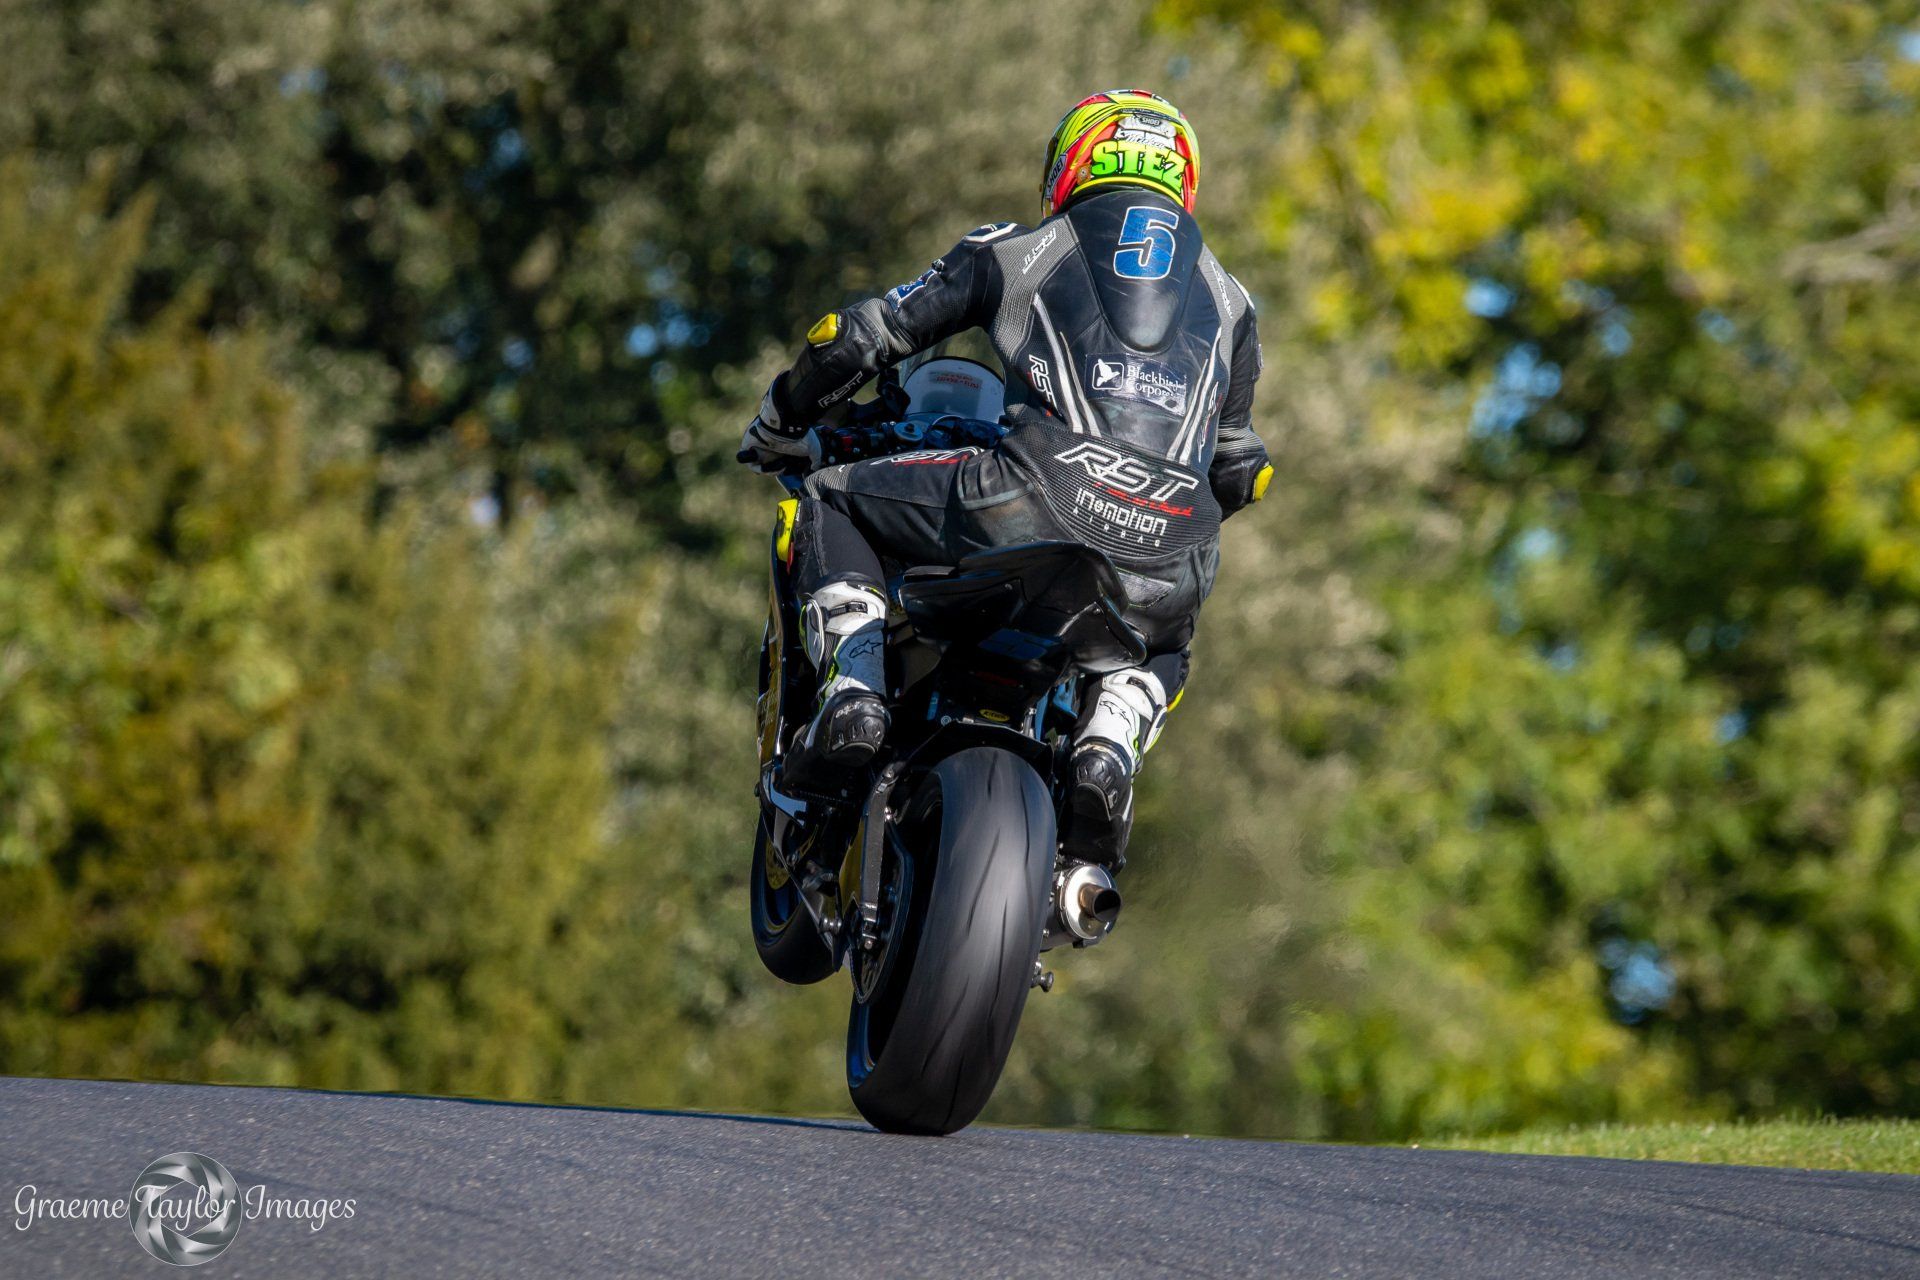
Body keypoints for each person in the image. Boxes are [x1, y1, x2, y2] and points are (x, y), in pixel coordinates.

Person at [739, 89, 1270, 868]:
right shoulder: (1234, 302)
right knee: (1169, 627)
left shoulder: (1019, 248)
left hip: (1025, 496)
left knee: (826, 498)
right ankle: (1111, 738)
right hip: (1170, 552)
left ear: (1071, 164)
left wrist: (782, 419)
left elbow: (859, 338)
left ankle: (852, 690)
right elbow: (1240, 467)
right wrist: (1151, 513)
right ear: (1184, 179)